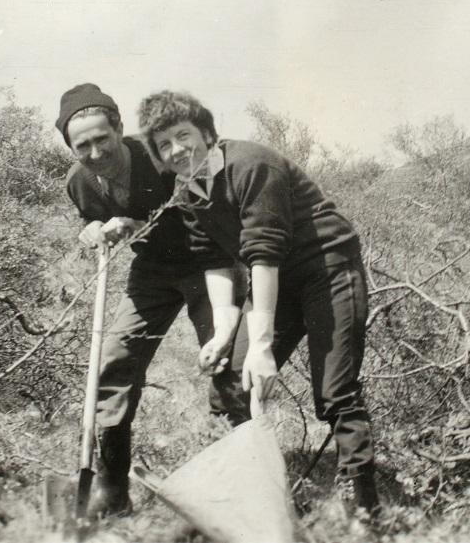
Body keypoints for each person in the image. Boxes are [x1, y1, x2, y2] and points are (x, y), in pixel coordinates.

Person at [137, 90, 380, 517]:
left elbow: (263, 254)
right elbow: (214, 262)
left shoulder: (251, 164)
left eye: (183, 135)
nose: (177, 150)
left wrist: (263, 347)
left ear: (207, 132)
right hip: (277, 281)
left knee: (335, 391)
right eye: (163, 145)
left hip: (327, 268)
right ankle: (250, 495)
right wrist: (225, 333)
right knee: (230, 381)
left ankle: (362, 510)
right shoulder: (187, 192)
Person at [55, 83, 250, 518]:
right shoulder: (79, 181)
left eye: (102, 138)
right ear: (71, 148)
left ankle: (243, 482)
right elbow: (93, 218)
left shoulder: (160, 155)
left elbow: (206, 211)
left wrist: (136, 220)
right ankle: (112, 491)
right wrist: (92, 230)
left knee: (226, 366)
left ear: (120, 129)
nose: (95, 152)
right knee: (113, 366)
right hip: (152, 273)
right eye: (81, 145)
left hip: (207, 261)